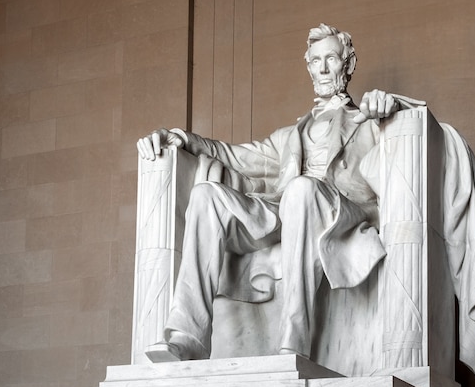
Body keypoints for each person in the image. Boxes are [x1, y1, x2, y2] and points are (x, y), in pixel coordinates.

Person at [137, 23, 421, 362]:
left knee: (301, 191)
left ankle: (294, 341)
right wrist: (185, 139)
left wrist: (389, 108)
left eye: (331, 58)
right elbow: (237, 155)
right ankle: (188, 337)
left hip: (340, 213)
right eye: (316, 60)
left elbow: (414, 129)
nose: (323, 67)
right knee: (206, 196)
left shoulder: (368, 120)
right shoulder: (290, 135)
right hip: (285, 212)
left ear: (349, 64)